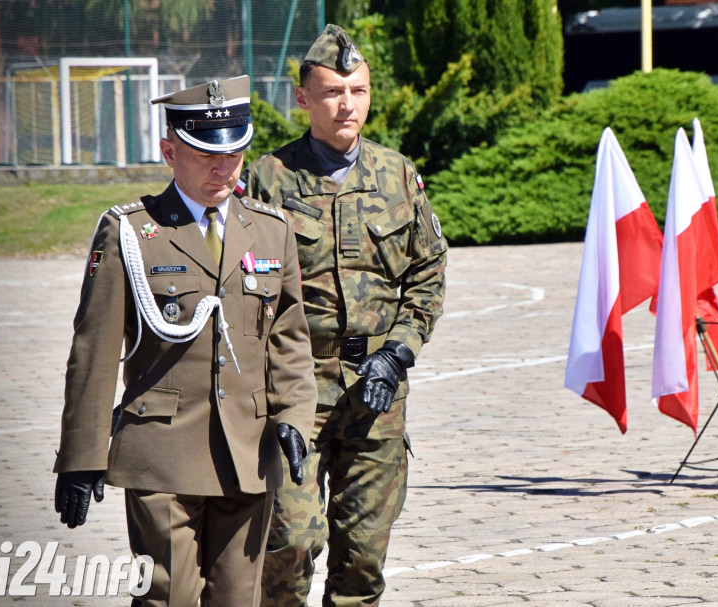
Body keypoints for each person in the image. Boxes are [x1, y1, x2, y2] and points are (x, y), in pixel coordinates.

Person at [52, 75, 318, 606]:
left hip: (248, 451)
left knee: (238, 598)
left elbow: (288, 340)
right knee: (166, 596)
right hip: (162, 453)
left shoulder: (271, 230)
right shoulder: (131, 231)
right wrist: (81, 455)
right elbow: (94, 349)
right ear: (170, 151)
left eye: (235, 153)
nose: (224, 167)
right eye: (205, 155)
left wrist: (294, 418)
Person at [241, 24, 448, 607]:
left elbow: (427, 274)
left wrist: (397, 352)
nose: (346, 104)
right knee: (289, 544)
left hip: (375, 395)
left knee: (363, 558)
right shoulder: (268, 180)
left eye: (357, 90)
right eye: (332, 91)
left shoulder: (398, 175)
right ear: (303, 98)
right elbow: (241, 288)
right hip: (294, 391)